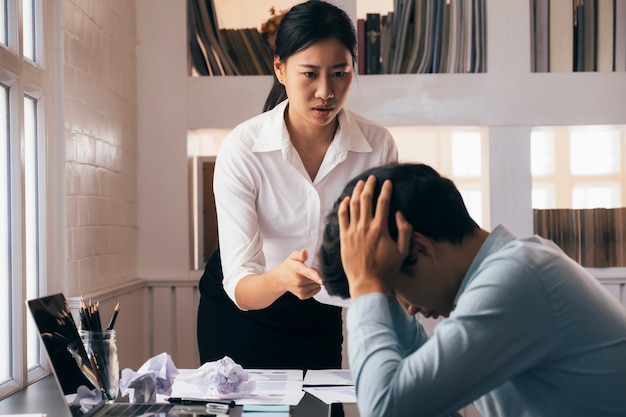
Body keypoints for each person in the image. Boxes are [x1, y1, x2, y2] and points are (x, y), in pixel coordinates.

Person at [318, 162, 626, 417]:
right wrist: (378, 292)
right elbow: (425, 389)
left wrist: (367, 286)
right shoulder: (511, 268)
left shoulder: (514, 279)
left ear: (421, 249)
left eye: (396, 291)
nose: (408, 308)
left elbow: (388, 410)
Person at [196, 0, 398, 370]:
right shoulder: (244, 148)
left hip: (321, 305)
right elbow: (240, 277)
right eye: (310, 74)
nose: (326, 91)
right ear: (280, 68)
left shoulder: (377, 145)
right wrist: (280, 279)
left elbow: (377, 243)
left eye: (340, 73)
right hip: (243, 305)